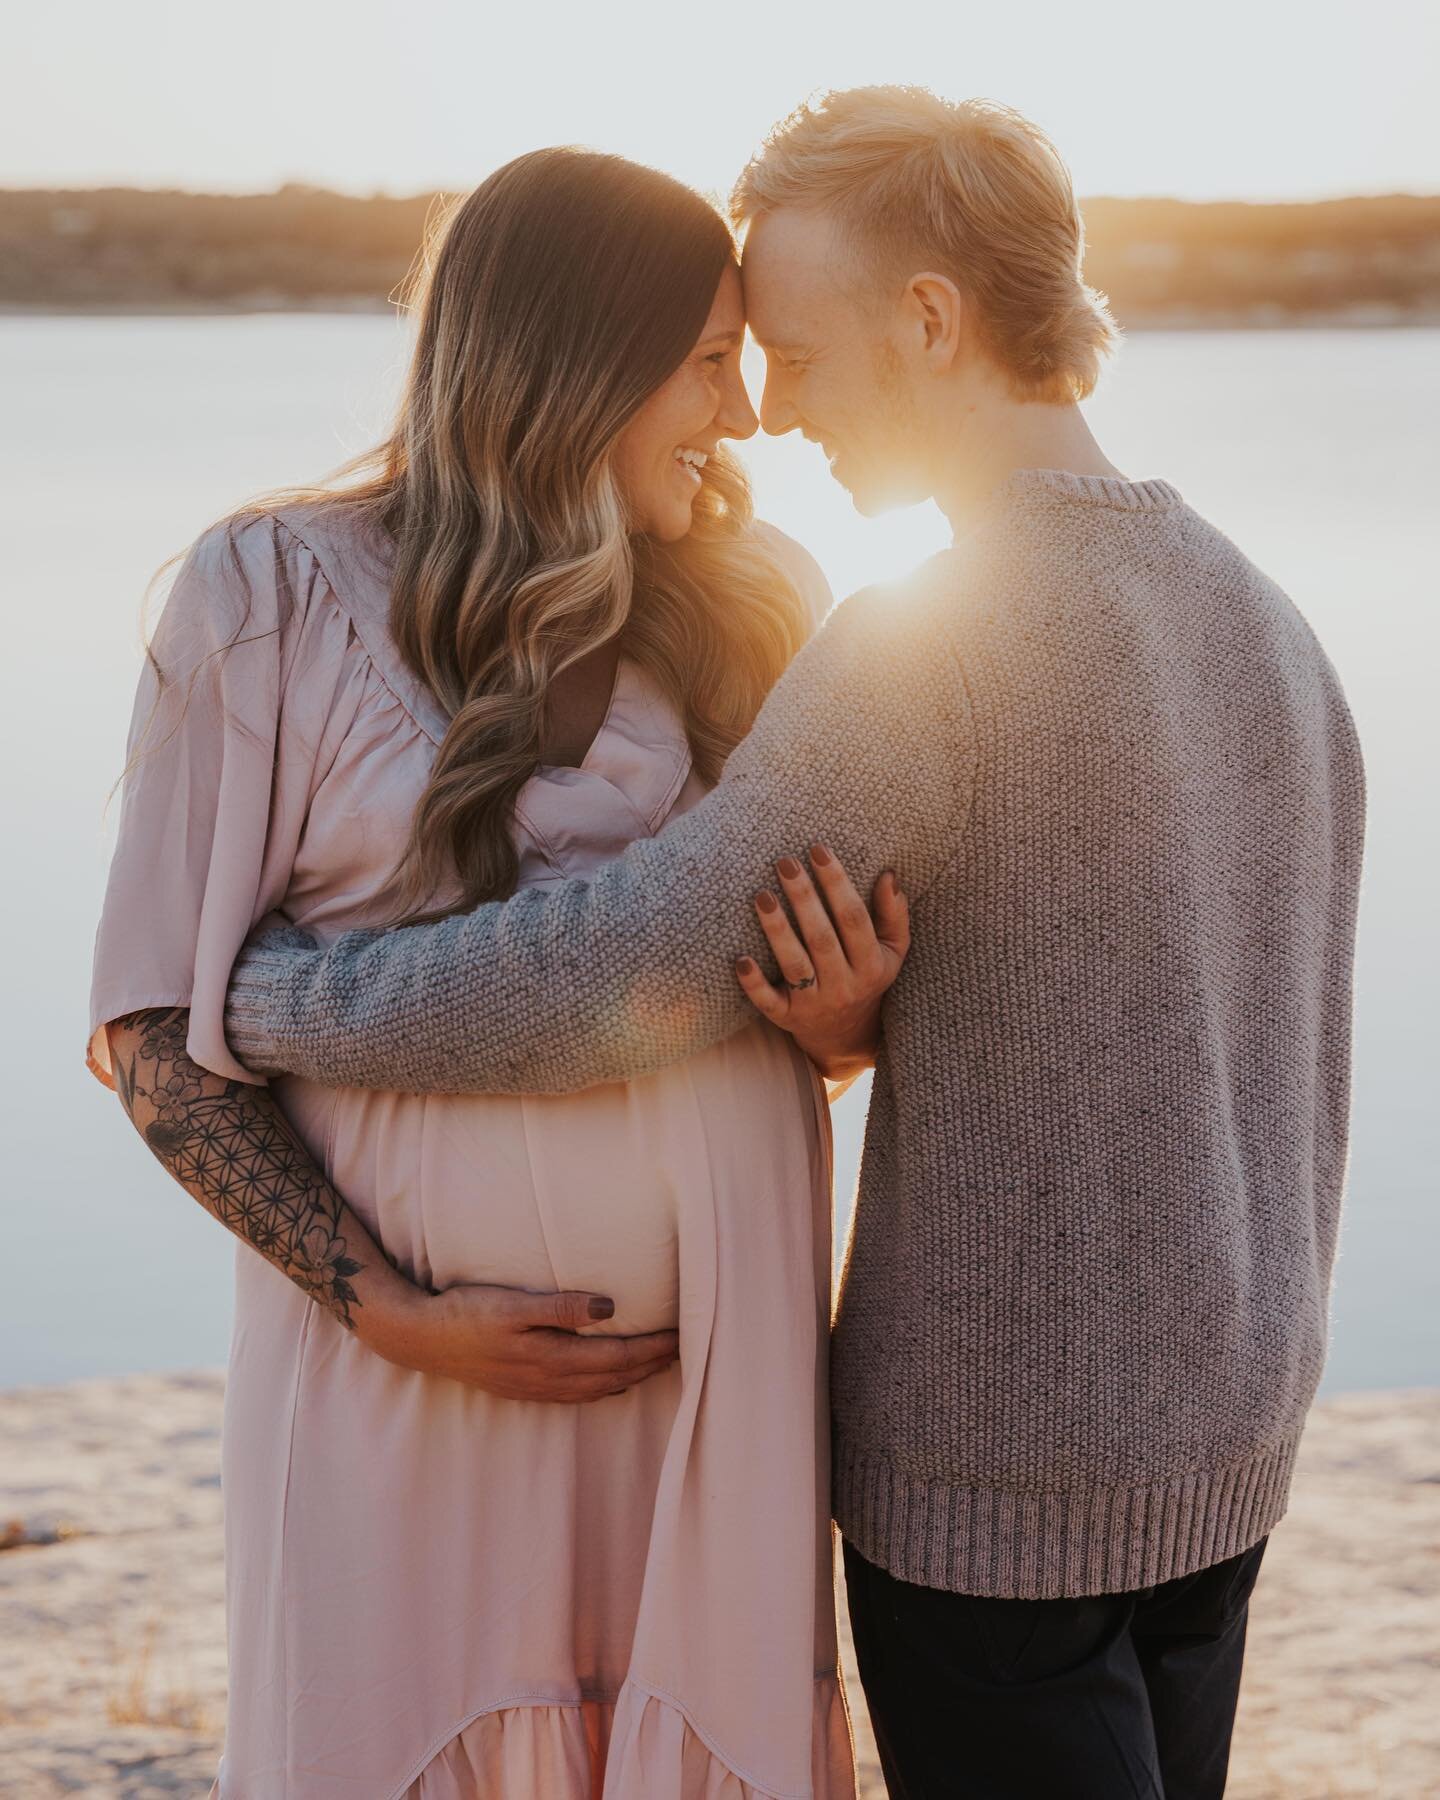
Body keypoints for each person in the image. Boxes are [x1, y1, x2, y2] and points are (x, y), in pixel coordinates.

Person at [225, 88, 1368, 1799]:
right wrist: (864, 1021)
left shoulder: (951, 635)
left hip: (1008, 1506)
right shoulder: (1269, 624)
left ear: (931, 317)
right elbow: (1149, 1014)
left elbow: (619, 968)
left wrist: (281, 999)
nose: (767, 412)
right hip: (1224, 1455)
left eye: (806, 355)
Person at [87, 148, 888, 1798]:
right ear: (577, 361)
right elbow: (158, 1029)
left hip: (712, 1407)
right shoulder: (272, 595)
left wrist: (848, 1019)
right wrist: (391, 1314)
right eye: (707, 361)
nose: (740, 415)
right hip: (401, 1401)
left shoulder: (761, 607)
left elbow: (815, 993)